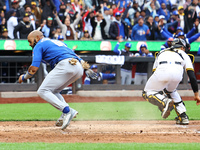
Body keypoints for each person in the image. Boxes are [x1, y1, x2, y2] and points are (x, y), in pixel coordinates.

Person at [18, 30, 96, 130]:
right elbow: (75, 55)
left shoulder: (39, 45)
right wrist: (86, 68)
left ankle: (67, 111)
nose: (29, 44)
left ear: (37, 38)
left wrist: (24, 77)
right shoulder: (57, 42)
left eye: (30, 41)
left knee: (42, 91)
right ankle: (65, 113)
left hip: (65, 65)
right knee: (54, 91)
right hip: (78, 68)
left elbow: (34, 68)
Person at [142, 38, 200, 125]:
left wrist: (160, 97)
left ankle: (165, 102)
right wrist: (196, 94)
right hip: (177, 75)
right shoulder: (183, 54)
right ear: (182, 47)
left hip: (162, 71)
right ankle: (183, 115)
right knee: (171, 91)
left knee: (146, 93)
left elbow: (154, 72)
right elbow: (192, 76)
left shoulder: (161, 52)